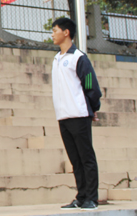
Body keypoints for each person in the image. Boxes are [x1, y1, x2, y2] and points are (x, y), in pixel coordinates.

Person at [50, 17, 102, 211]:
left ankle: (92, 198)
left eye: (55, 30)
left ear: (66, 32)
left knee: (86, 157)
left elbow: (90, 85)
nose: (52, 34)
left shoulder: (79, 57)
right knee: (75, 160)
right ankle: (81, 196)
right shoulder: (56, 59)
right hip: (63, 116)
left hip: (79, 115)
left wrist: (93, 107)